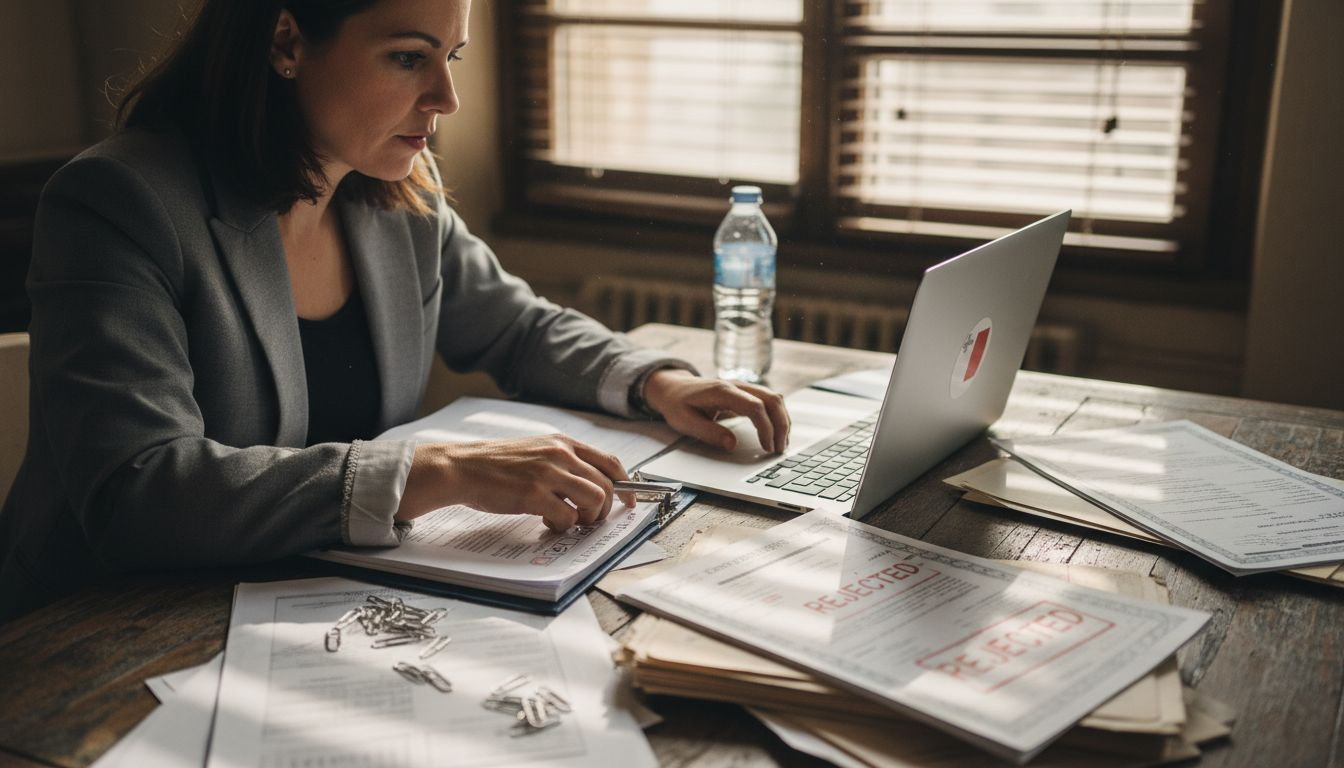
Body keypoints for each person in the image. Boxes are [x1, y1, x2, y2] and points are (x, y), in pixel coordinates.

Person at [0, 0, 790, 621]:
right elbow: (138, 490)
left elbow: (516, 326)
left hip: (311, 601)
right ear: (285, 41)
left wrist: (654, 381)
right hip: (94, 627)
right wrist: (432, 471)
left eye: (450, 57)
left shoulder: (397, 196)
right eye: (408, 57)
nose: (444, 98)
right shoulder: (120, 202)